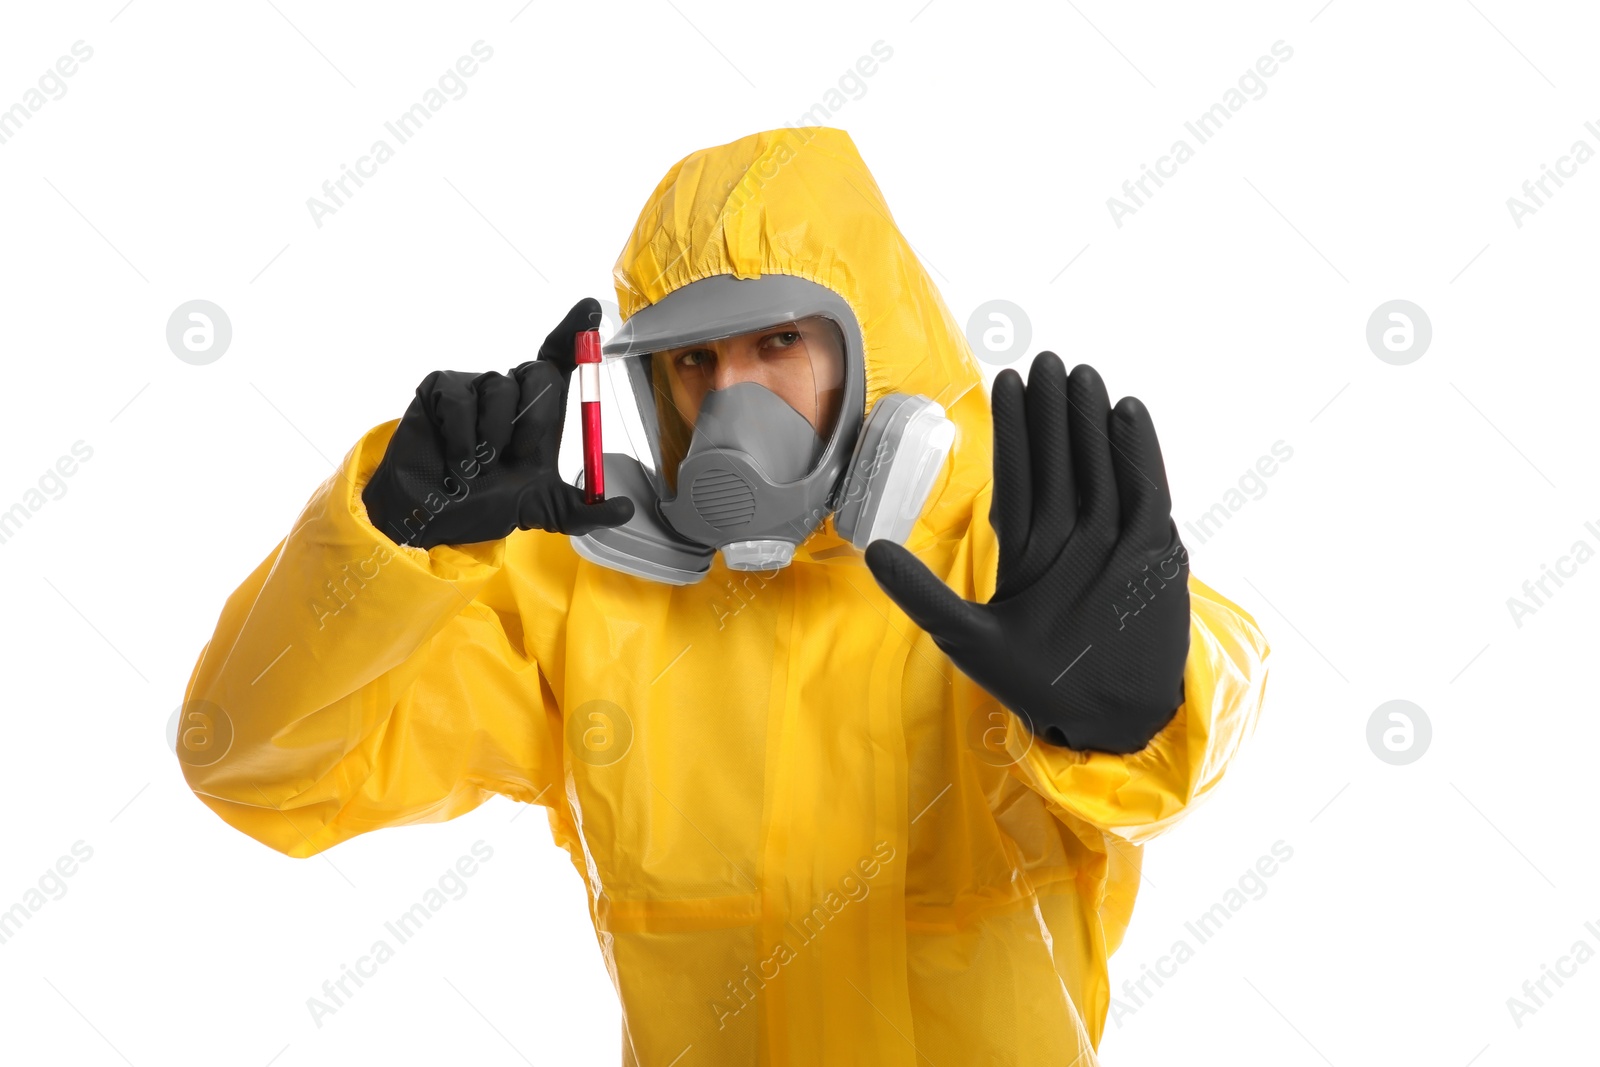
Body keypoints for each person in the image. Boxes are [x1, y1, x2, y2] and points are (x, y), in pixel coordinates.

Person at [176, 127, 1269, 1065]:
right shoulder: (587, 601)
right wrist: (383, 548)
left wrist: (1134, 703)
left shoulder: (1010, 546)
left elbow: (1222, 676)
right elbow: (255, 764)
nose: (730, 400)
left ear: (868, 349)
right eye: (692, 361)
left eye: (779, 342)